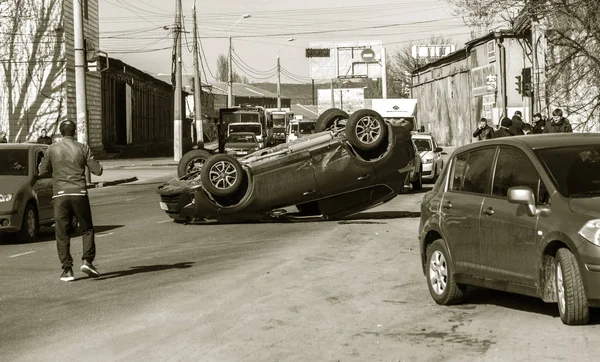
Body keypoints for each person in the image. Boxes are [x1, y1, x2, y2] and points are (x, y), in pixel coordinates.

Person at [38, 120, 103, 282]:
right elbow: (98, 170)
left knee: (62, 233)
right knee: (86, 228)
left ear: (60, 132)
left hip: (60, 194)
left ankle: (67, 270)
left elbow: (42, 170)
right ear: (74, 132)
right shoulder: (83, 147)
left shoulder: (52, 149)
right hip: (79, 193)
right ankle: (87, 261)